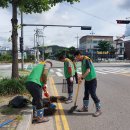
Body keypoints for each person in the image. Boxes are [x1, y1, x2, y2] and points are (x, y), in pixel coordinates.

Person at [74, 50, 102, 117]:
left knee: (93, 94)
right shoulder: (82, 60)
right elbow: (84, 71)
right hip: (87, 80)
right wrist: (80, 77)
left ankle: (99, 110)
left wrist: (82, 78)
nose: (76, 58)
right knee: (86, 93)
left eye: (76, 57)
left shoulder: (86, 59)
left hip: (92, 80)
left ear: (79, 55)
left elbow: (88, 70)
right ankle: (85, 107)